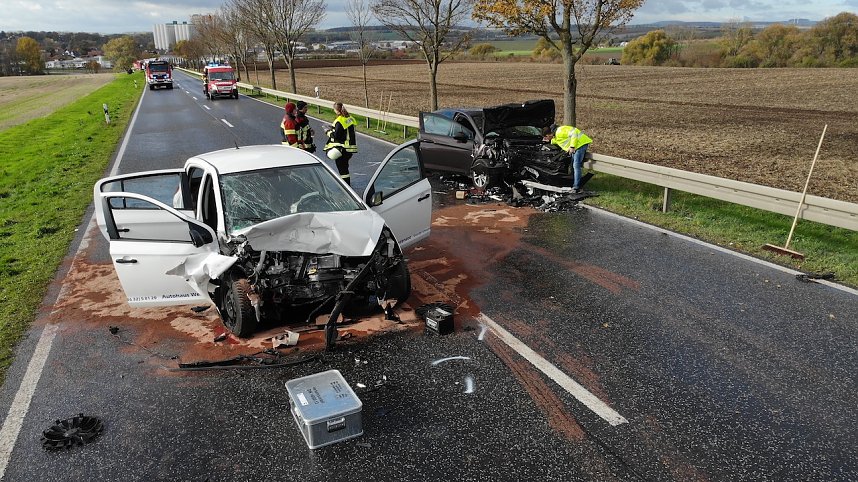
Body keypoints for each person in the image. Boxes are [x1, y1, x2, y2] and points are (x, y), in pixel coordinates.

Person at [544, 123, 592, 193]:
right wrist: (550, 141)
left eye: (546, 137)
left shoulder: (560, 131)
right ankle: (573, 183)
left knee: (576, 165)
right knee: (573, 166)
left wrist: (572, 146)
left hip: (580, 144)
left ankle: (576, 187)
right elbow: (559, 140)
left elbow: (574, 132)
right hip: (577, 146)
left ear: (548, 135)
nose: (546, 138)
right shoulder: (556, 135)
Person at [324, 102, 358, 185]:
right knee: (345, 167)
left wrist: (327, 131)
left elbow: (336, 136)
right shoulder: (350, 118)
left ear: (336, 110)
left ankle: (346, 187)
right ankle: (347, 184)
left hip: (343, 148)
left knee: (342, 170)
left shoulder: (339, 121)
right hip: (350, 148)